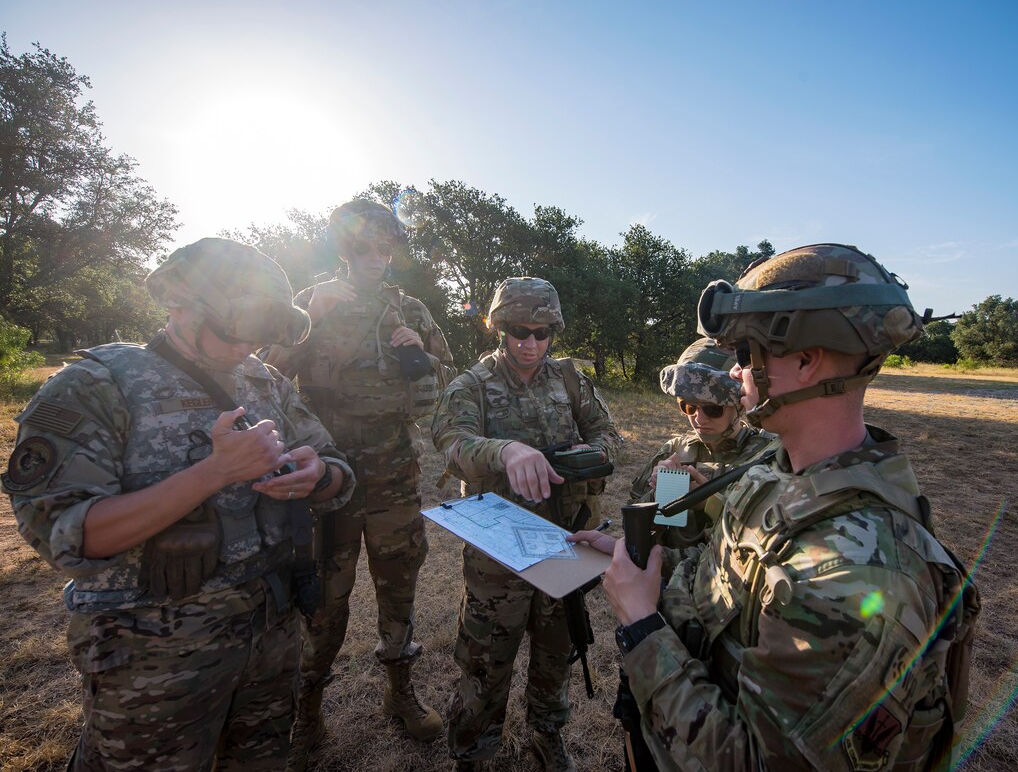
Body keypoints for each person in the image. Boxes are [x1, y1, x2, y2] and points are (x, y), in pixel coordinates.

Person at [572, 244, 979, 771]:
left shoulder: (853, 575)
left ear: (807, 361)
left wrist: (640, 624)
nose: (738, 372)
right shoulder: (775, 474)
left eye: (747, 352)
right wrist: (639, 563)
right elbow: (723, 584)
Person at [2, 238, 355, 771]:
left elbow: (338, 470)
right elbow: (66, 535)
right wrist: (213, 473)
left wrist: (318, 475)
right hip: (154, 656)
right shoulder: (99, 385)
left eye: (265, 328)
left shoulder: (265, 380)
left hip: (271, 632)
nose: (248, 345)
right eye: (237, 325)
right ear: (178, 303)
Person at [262, 198, 455, 763]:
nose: (378, 257)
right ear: (345, 250)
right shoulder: (310, 301)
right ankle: (308, 711)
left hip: (395, 471)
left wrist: (420, 355)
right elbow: (264, 377)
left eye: (387, 247)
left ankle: (401, 693)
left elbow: (445, 381)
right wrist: (312, 318)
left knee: (399, 588)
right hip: (329, 478)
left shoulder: (411, 309)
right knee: (324, 599)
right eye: (366, 247)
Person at [431, 277, 622, 772]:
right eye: (518, 330)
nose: (530, 343)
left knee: (556, 650)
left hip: (565, 538)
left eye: (542, 332)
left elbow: (609, 436)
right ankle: (473, 749)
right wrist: (504, 449)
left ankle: (546, 732)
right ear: (498, 328)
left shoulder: (571, 380)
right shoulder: (471, 385)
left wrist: (592, 455)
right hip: (500, 549)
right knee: (485, 660)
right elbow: (450, 441)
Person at [628, 337, 777, 549]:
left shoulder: (767, 455)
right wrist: (655, 493)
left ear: (740, 406)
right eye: (688, 407)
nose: (699, 419)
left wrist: (708, 504)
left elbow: (768, 536)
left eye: (713, 409)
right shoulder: (675, 449)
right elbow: (633, 518)